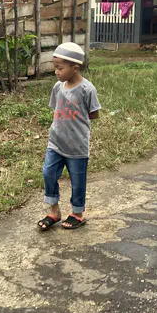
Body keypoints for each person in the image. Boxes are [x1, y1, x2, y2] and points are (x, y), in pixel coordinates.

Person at [37, 42, 101, 231]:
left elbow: (94, 113)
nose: (56, 72)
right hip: (56, 143)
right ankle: (54, 212)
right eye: (55, 67)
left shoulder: (87, 90)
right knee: (48, 173)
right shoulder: (57, 88)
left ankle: (77, 214)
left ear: (75, 68)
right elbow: (56, 110)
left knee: (77, 180)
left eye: (60, 68)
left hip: (77, 146)